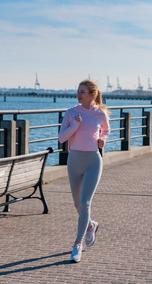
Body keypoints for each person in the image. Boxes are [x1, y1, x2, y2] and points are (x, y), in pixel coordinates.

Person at [58, 79, 111, 263]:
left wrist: (102, 139)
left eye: (82, 92)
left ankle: (77, 244)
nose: (78, 95)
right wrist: (75, 125)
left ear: (92, 94)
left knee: (85, 202)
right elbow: (61, 138)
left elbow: (106, 130)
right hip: (74, 161)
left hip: (93, 161)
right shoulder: (71, 113)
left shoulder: (100, 114)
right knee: (76, 204)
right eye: (78, 92)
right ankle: (90, 225)